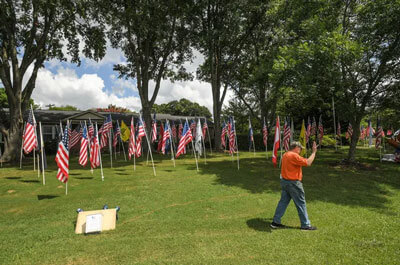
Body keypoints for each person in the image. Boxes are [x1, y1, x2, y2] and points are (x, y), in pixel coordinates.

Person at [270, 141, 318, 231]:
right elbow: (308, 162)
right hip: (293, 183)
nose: (300, 151)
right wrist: (314, 152)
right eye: (300, 149)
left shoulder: (285, 154)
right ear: (296, 148)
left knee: (283, 202)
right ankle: (305, 225)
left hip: (285, 182)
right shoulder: (293, 155)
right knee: (301, 203)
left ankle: (275, 222)